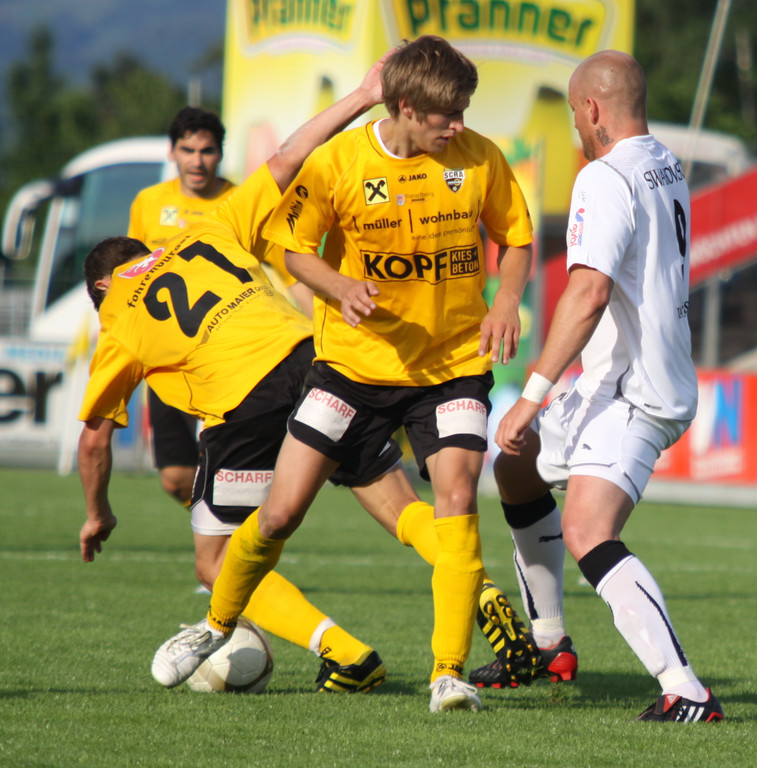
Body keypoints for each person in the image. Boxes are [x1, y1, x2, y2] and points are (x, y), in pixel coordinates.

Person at [79, 55, 534, 697]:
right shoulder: (209, 228)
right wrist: (360, 95)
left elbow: (94, 441)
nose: (458, 124)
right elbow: (288, 159)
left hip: (257, 395)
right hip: (311, 357)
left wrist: (96, 513)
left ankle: (350, 654)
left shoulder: (117, 318)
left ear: (104, 287)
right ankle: (475, 587)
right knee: (397, 506)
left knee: (228, 550)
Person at [489, 50, 724, 722]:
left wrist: (531, 394)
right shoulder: (664, 162)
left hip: (635, 391)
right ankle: (548, 645)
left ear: (591, 108)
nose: (573, 126)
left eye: (572, 112)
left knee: (588, 530)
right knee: (515, 469)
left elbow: (588, 291)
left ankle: (686, 691)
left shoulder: (604, 176)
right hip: (621, 379)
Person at [127, 107, 237, 508]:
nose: (197, 161)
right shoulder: (149, 202)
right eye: (188, 150)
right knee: (175, 477)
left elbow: (286, 264)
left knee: (230, 467)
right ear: (172, 152)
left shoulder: (238, 201)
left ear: (220, 154)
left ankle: (229, 537)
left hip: (226, 354)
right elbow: (130, 274)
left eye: (206, 151)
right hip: (167, 355)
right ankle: (221, 530)